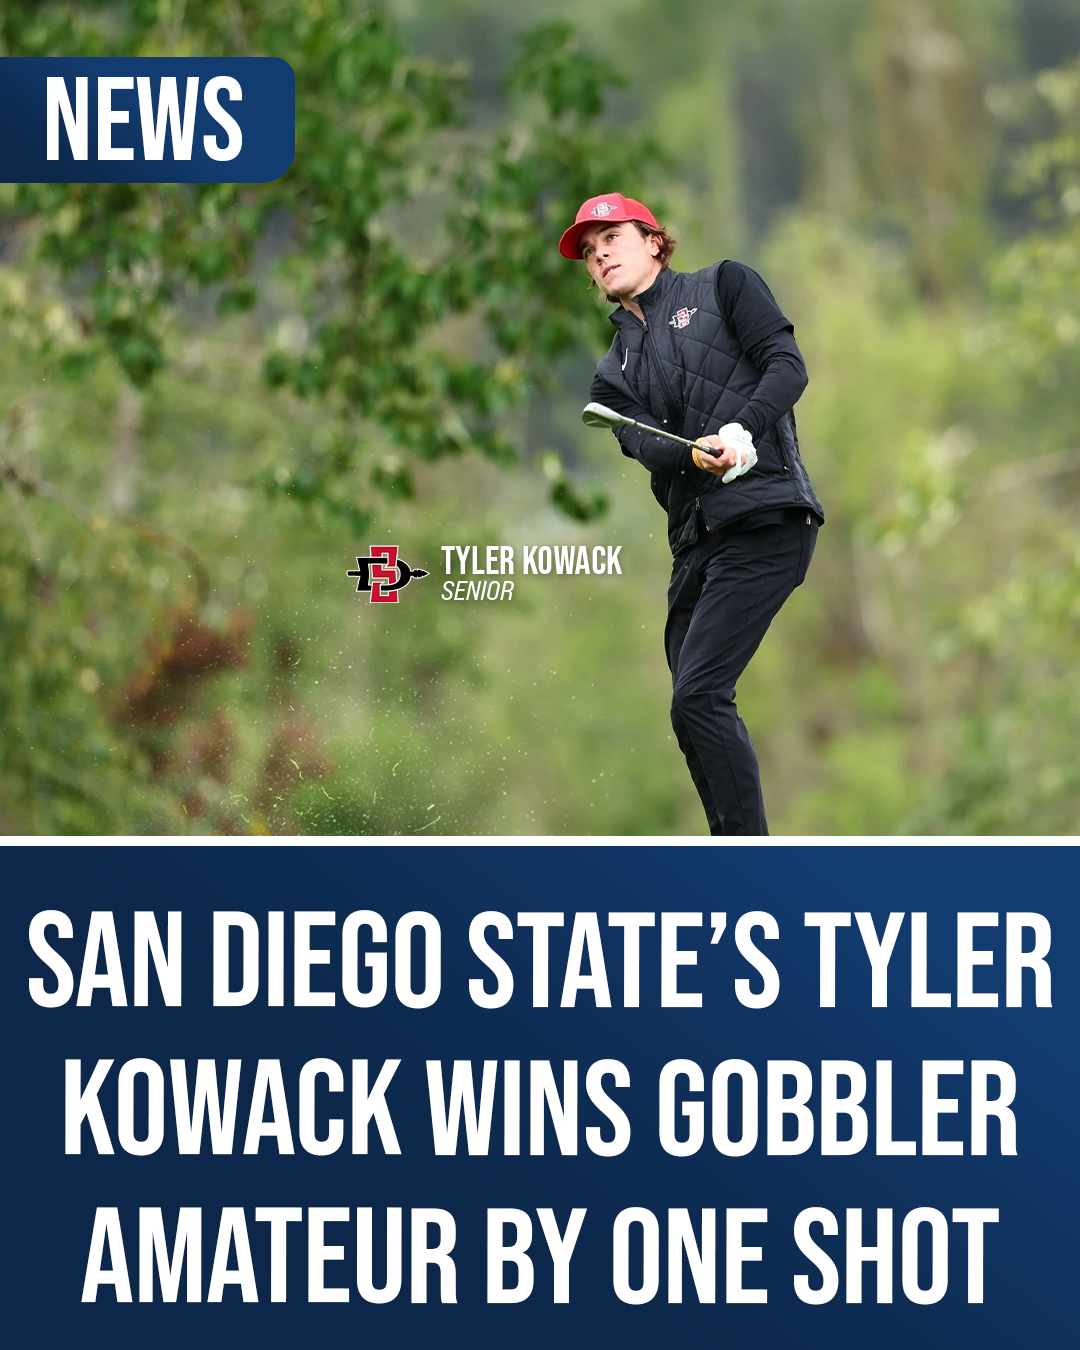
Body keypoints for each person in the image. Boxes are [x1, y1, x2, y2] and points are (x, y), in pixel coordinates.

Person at [559, 193, 824, 836]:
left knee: (699, 694)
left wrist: (743, 429)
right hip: (697, 546)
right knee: (690, 710)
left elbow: (787, 368)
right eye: (590, 253)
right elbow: (648, 444)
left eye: (611, 238)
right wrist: (697, 455)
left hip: (767, 519)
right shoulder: (610, 376)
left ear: (653, 239)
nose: (600, 255)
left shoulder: (726, 284)